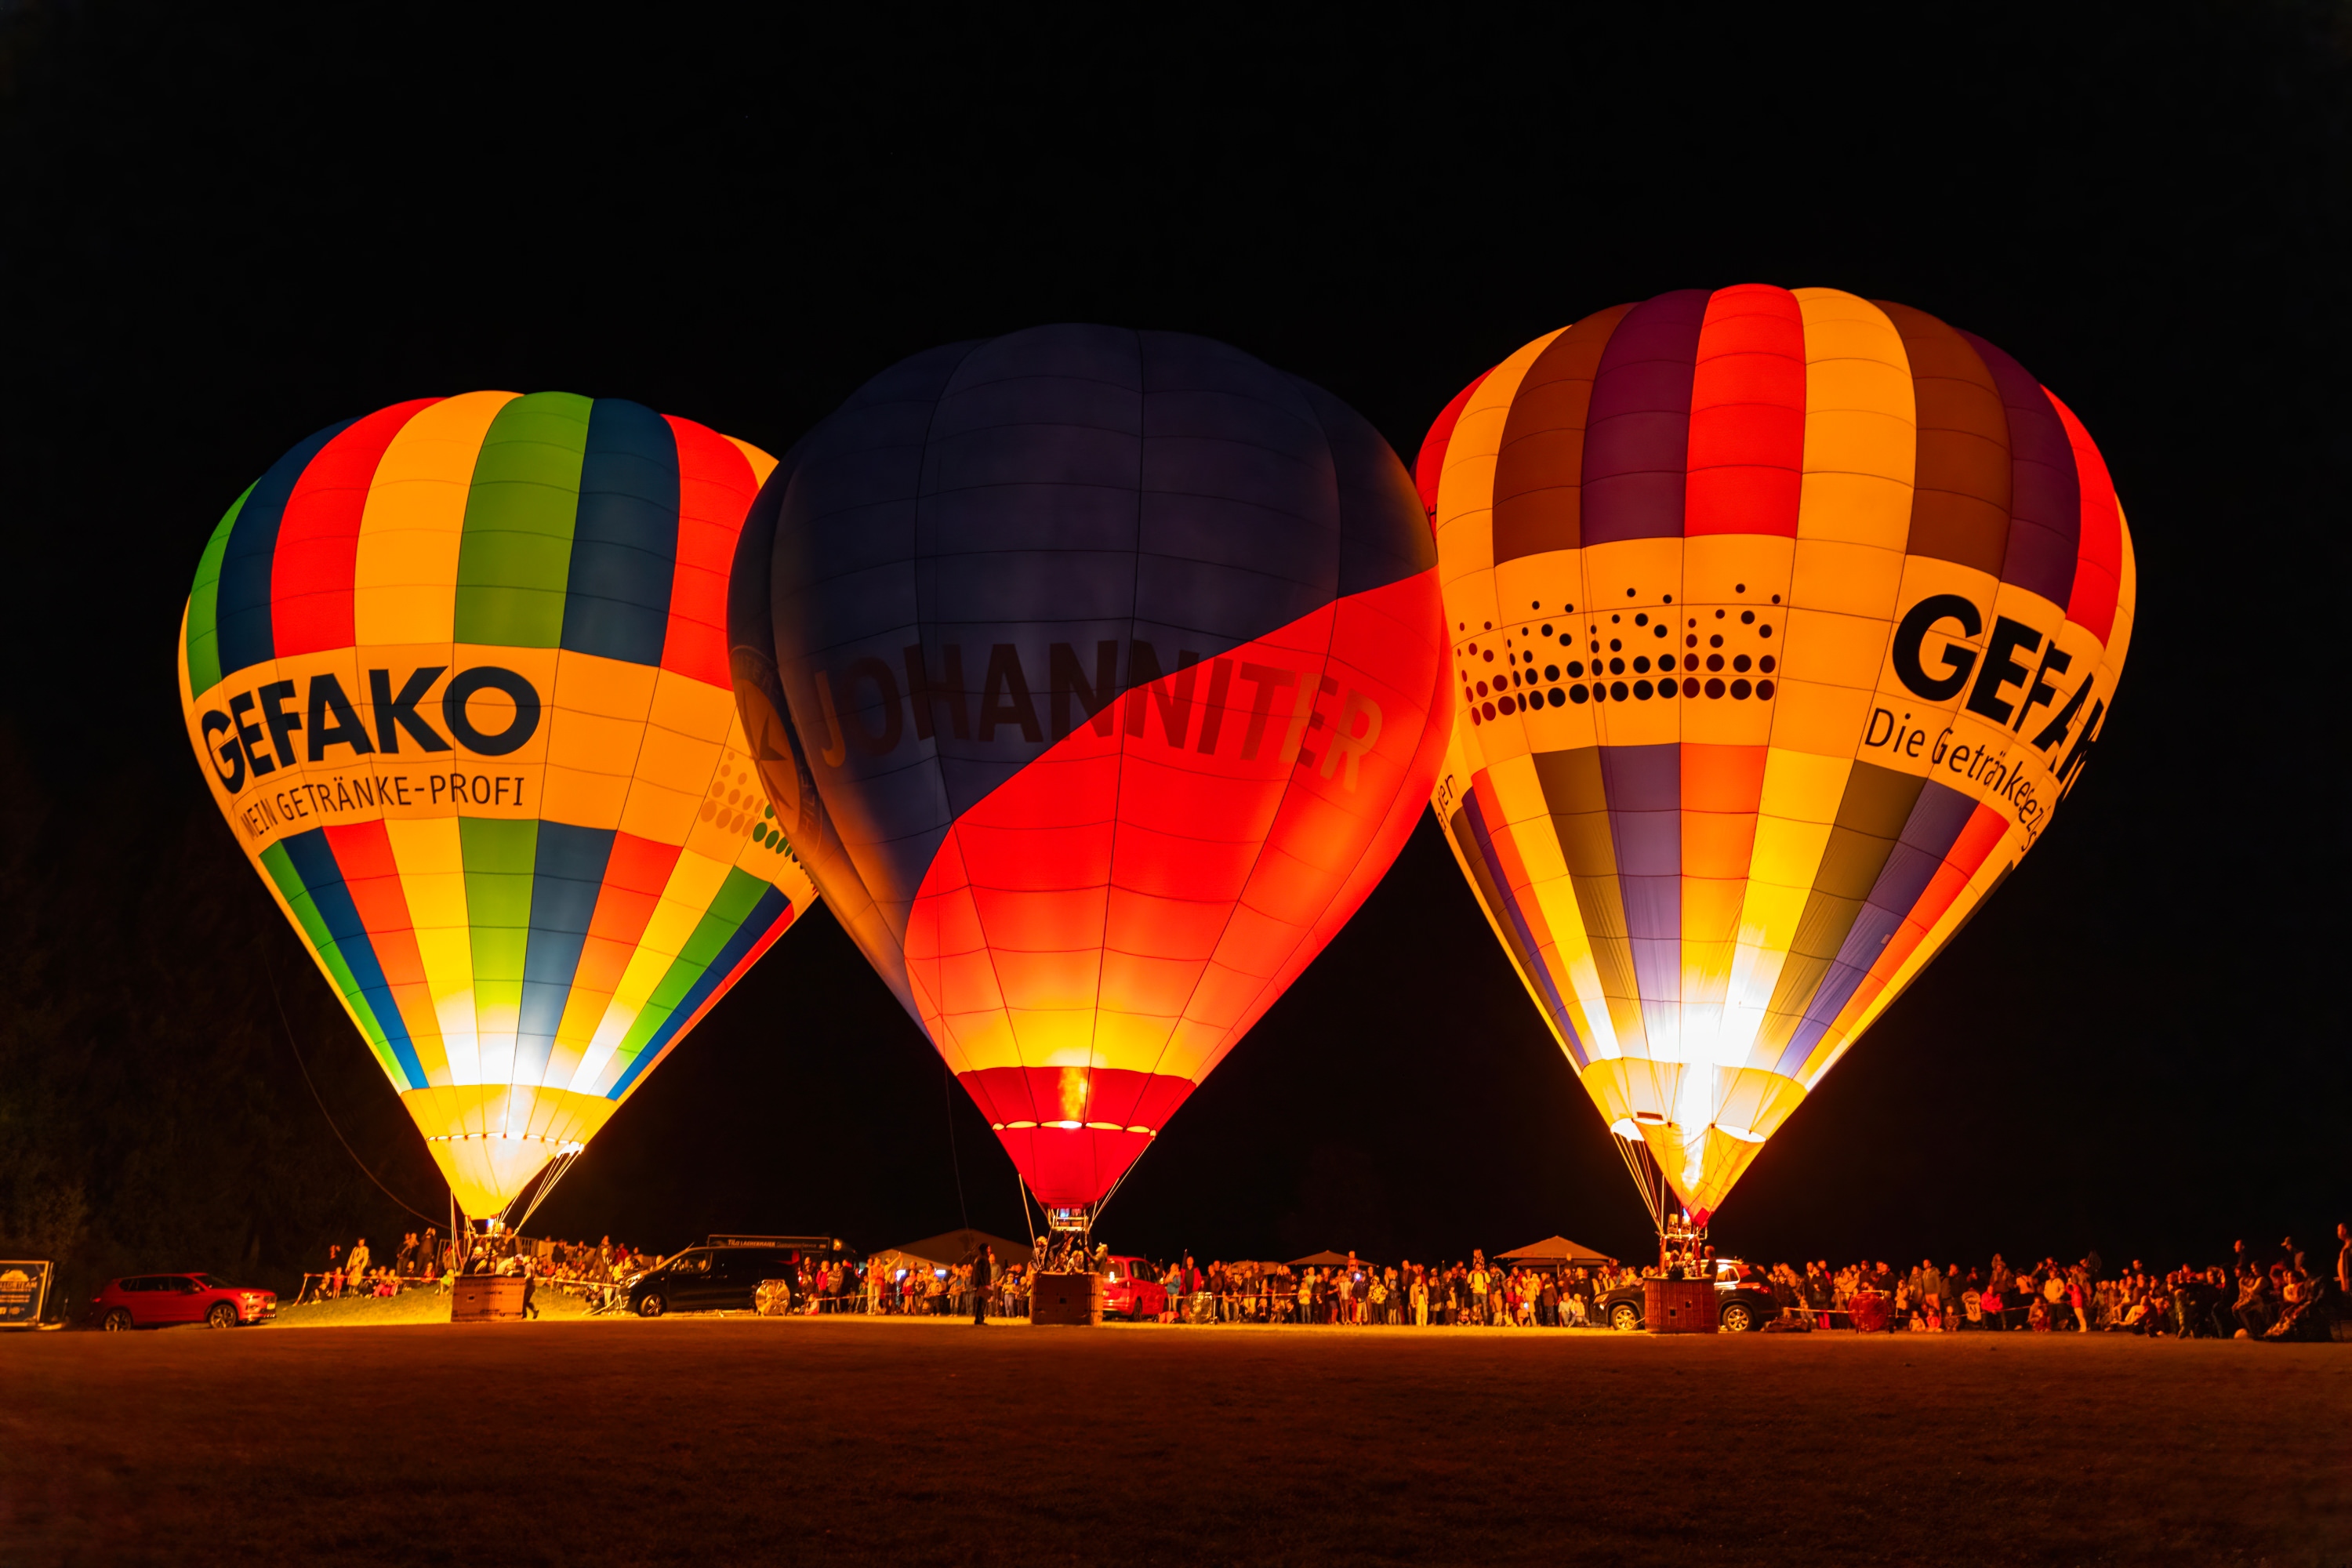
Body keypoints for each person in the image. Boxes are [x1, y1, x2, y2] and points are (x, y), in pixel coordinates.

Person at [968, 1243, 994, 1327]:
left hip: (981, 1284)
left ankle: (979, 1319)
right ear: (984, 1250)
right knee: (981, 1302)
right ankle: (979, 1319)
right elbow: (980, 1273)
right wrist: (984, 1284)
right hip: (981, 1284)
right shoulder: (982, 1259)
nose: (990, 1251)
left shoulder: (981, 1258)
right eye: (988, 1249)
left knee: (981, 1302)